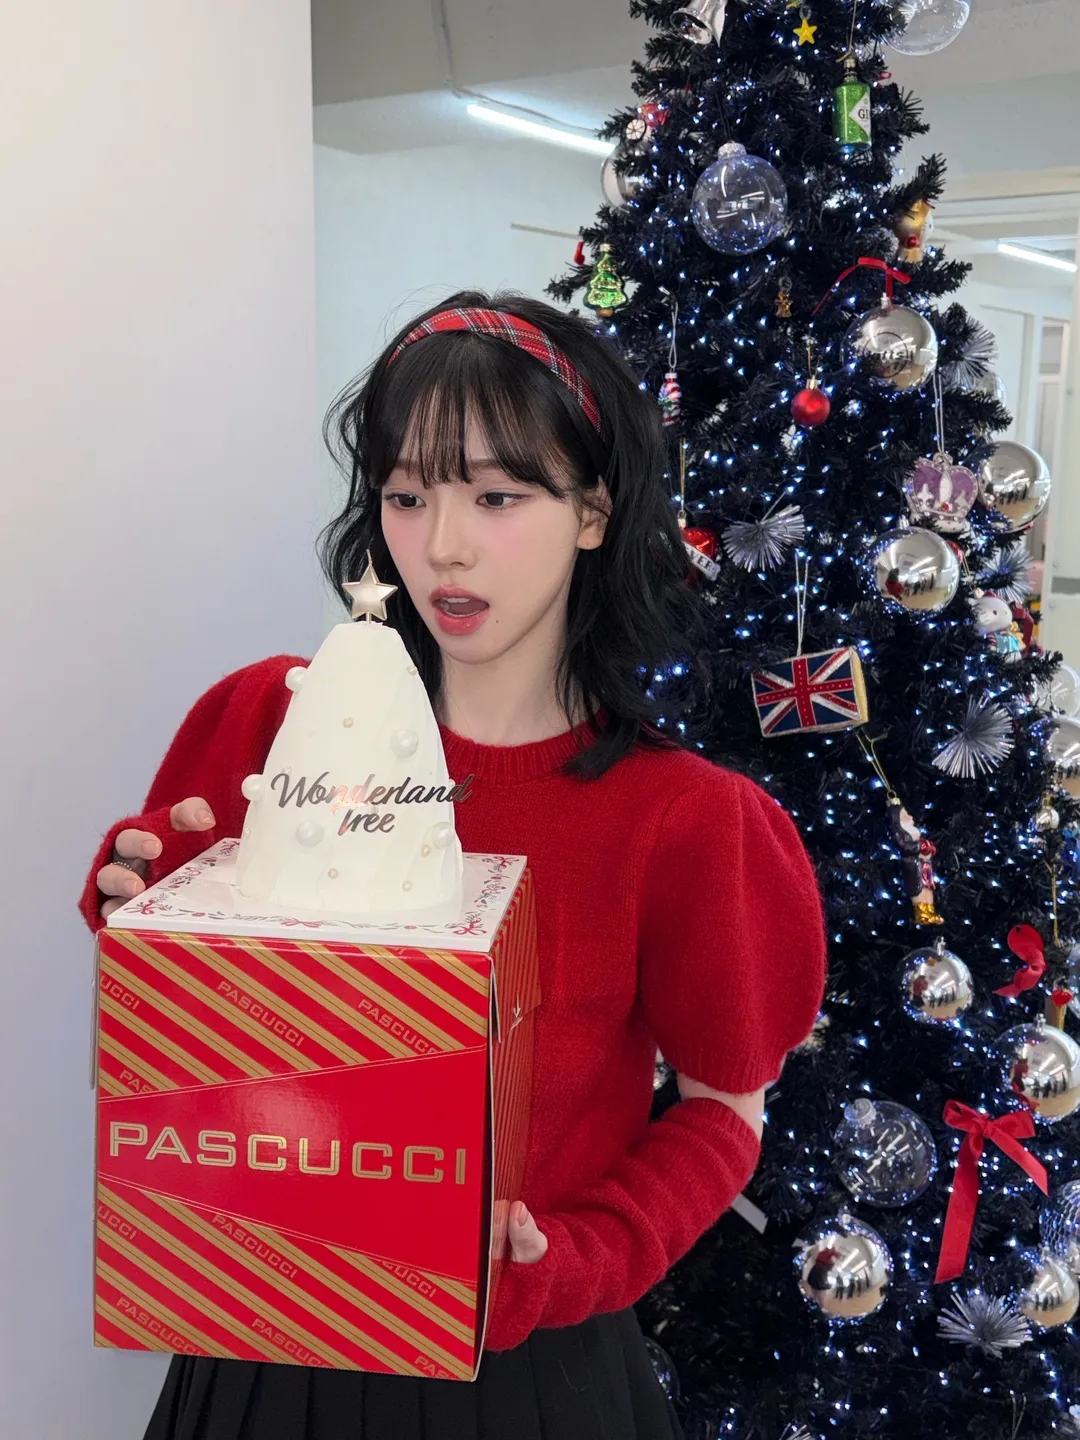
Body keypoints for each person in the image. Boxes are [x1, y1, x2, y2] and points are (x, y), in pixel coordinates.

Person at [79, 293, 827, 1440]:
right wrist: (156, 908)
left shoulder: (683, 819)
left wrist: (571, 1257)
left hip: (527, 1374)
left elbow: (726, 1112)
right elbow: (188, 1045)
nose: (443, 547)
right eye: (408, 496)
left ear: (592, 512)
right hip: (261, 1349)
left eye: (497, 496)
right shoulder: (274, 724)